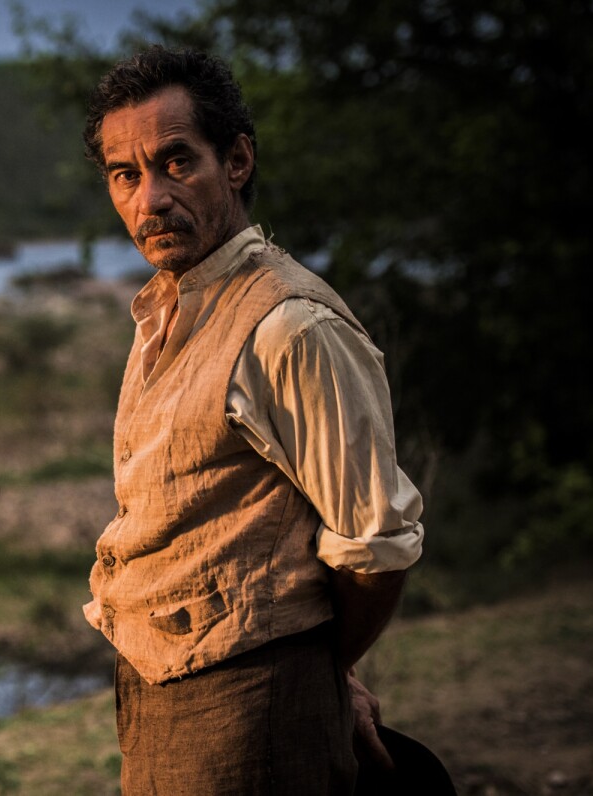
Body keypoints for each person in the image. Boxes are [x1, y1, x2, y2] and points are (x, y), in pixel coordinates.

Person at [80, 45, 425, 794]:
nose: (151, 200)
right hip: (154, 690)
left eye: (177, 163)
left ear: (235, 161)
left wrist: (325, 673)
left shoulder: (290, 328)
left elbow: (375, 546)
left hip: (246, 710)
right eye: (125, 175)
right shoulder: (168, 305)